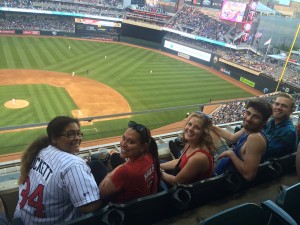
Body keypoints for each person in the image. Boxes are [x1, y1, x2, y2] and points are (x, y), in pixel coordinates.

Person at [14, 116, 101, 225]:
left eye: (79, 133)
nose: (77, 138)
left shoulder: (42, 151)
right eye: (70, 134)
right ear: (54, 138)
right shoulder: (73, 165)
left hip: (20, 219)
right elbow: (88, 207)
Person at [99, 121, 160, 204]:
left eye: (131, 142)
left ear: (143, 147)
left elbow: (101, 193)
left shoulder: (125, 171)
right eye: (123, 138)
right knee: (115, 157)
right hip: (146, 203)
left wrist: (110, 174)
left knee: (97, 166)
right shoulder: (150, 156)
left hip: (124, 211)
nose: (123, 144)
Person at [213, 99, 272, 181]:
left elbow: (249, 175)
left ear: (264, 121)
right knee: (209, 130)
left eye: (256, 117)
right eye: (248, 113)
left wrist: (231, 154)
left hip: (228, 177)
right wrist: (211, 126)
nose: (248, 119)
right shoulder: (248, 129)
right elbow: (232, 138)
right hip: (227, 164)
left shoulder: (255, 138)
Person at [160, 111, 215, 186]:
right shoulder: (191, 143)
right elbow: (179, 162)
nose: (190, 129)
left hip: (186, 192)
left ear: (203, 133)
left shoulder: (199, 157)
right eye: (190, 124)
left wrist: (159, 171)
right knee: (157, 162)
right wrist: (158, 166)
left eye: (197, 127)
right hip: (178, 177)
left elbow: (177, 182)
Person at [264, 92, 297, 159]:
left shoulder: (288, 131)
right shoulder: (271, 121)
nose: (279, 107)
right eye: (277, 104)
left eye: (284, 106)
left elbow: (265, 153)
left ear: (291, 111)